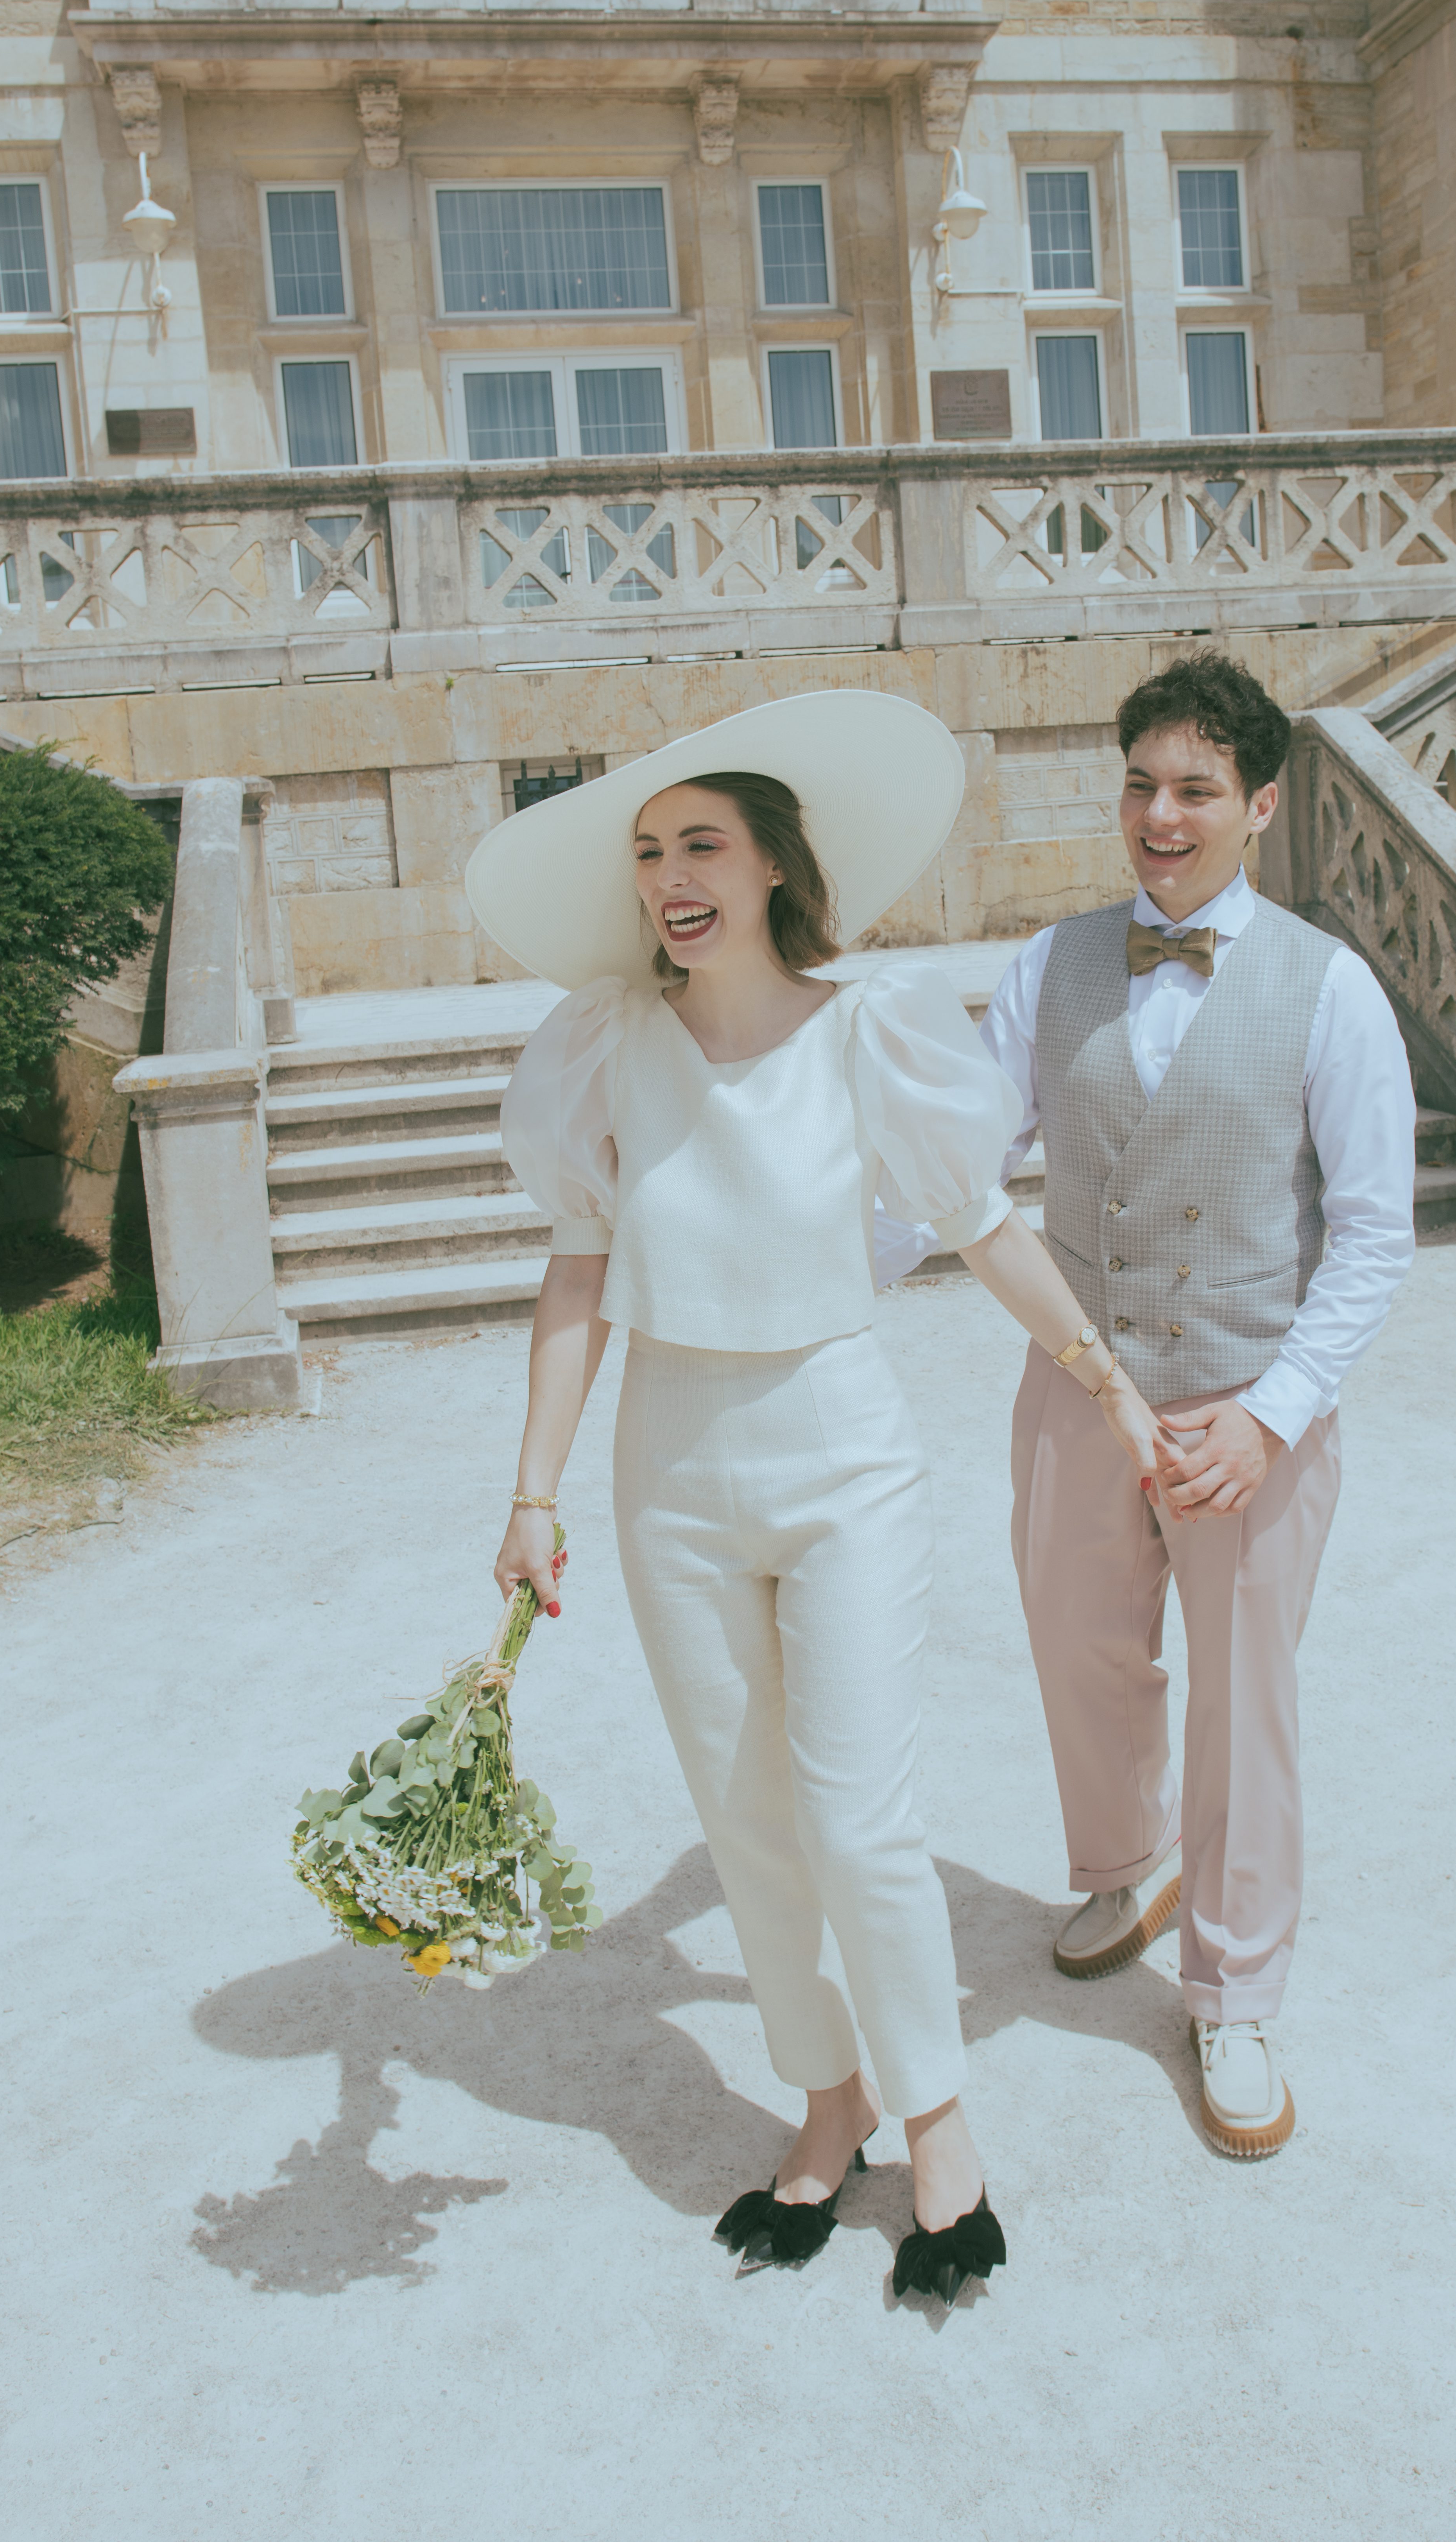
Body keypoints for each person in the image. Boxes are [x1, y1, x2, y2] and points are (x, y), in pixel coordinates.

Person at [467, 690, 1171, 2304]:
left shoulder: (871, 1028)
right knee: (750, 1820)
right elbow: (577, 1270)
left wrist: (1106, 1380)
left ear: (775, 864)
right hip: (670, 1469)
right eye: (648, 850)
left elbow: (982, 1224)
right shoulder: (605, 1044)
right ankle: (824, 2097)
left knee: (860, 1821)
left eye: (700, 841)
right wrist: (532, 1492)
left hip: (839, 1455)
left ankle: (937, 2120)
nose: (668, 876)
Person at [877, 654, 1416, 2158]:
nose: (1159, 816)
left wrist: (1277, 1413)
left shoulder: (1332, 987)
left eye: (1192, 789)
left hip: (1251, 1402)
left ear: (1258, 803)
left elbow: (1374, 1230)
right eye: (1138, 784)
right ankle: (1122, 1867)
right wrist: (813, 1264)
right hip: (1077, 1391)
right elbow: (954, 1175)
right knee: (1081, 1652)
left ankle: (1234, 1995)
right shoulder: (1053, 969)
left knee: (1248, 1703)